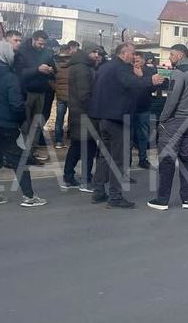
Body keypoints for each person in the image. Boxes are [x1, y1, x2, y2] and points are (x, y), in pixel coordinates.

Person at [0, 41, 46, 207]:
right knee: (19, 159)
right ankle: (29, 196)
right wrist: (21, 119)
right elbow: (16, 105)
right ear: (6, 55)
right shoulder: (10, 77)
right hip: (7, 124)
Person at [89, 42, 157, 209]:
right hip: (117, 118)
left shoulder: (105, 67)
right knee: (118, 160)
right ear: (124, 53)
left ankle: (98, 191)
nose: (134, 57)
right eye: (132, 53)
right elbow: (130, 83)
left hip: (103, 117)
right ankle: (115, 196)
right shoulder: (121, 68)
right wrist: (150, 80)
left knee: (104, 157)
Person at [148, 44, 188, 211]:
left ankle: (163, 199)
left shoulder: (179, 73)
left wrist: (163, 120)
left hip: (175, 121)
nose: (170, 58)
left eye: (172, 55)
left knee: (167, 159)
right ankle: (187, 199)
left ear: (180, 56)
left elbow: (172, 99)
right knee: (185, 158)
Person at [63, 43, 103, 191]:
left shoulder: (81, 66)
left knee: (76, 146)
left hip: (77, 113)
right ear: (86, 53)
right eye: (94, 52)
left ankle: (68, 176)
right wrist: (96, 109)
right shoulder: (82, 69)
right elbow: (84, 95)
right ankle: (86, 180)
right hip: (85, 115)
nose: (96, 55)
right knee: (88, 147)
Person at [16, 30, 55, 157]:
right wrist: (37, 70)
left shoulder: (47, 52)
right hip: (27, 92)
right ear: (33, 39)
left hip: (41, 91)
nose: (42, 46)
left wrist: (50, 70)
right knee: (25, 123)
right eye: (40, 44)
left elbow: (55, 70)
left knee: (37, 123)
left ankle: (33, 150)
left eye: (44, 44)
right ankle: (22, 150)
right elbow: (20, 73)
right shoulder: (22, 51)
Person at [131, 52, 158, 169]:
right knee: (129, 136)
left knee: (143, 135)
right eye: (134, 61)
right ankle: (127, 161)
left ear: (142, 60)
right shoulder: (128, 70)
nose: (135, 63)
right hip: (130, 108)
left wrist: (142, 76)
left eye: (137, 60)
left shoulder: (150, 72)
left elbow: (153, 87)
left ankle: (143, 158)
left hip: (144, 107)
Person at [52, 44, 72, 148]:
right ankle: (70, 139)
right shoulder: (73, 65)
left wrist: (56, 88)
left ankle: (58, 141)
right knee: (72, 118)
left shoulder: (55, 64)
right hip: (71, 96)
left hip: (60, 96)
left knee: (59, 118)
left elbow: (51, 80)